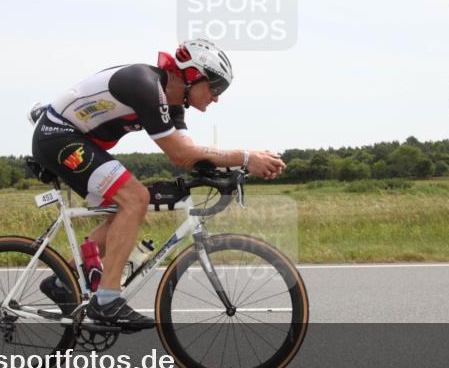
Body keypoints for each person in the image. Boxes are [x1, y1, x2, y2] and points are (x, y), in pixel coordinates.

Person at [31, 38, 286, 330]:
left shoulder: (174, 105)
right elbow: (180, 153)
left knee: (128, 207)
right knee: (135, 198)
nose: (216, 97)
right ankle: (106, 301)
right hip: (58, 135)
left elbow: (190, 157)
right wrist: (244, 156)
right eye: (215, 88)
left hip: (80, 138)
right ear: (191, 76)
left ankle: (64, 281)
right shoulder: (145, 85)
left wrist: (236, 167)